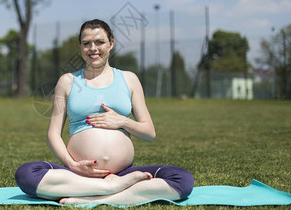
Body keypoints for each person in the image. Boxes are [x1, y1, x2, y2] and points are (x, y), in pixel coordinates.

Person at [15, 19, 193, 205]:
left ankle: (95, 197)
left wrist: (123, 121)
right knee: (26, 174)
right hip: (78, 173)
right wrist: (72, 164)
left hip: (122, 173)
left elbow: (149, 133)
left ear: (111, 44)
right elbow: (53, 134)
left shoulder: (129, 79)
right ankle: (112, 189)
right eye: (86, 43)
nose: (93, 48)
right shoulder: (67, 81)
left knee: (182, 179)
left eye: (99, 42)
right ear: (81, 47)